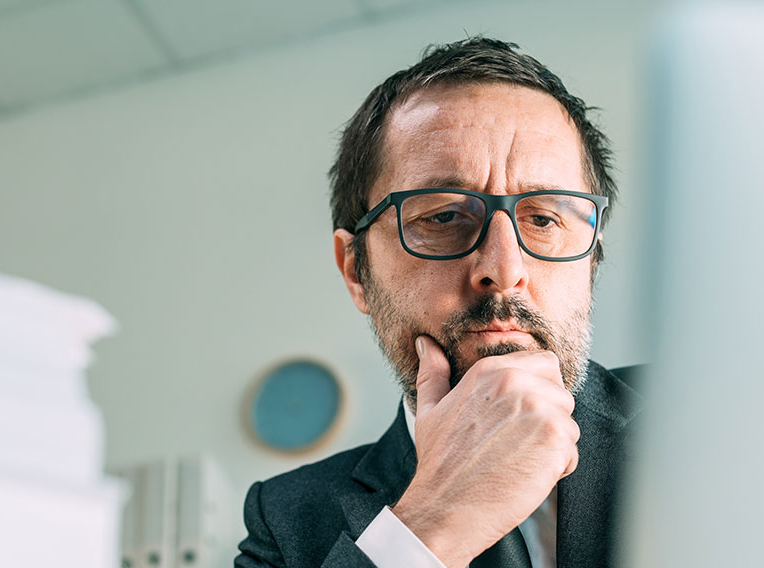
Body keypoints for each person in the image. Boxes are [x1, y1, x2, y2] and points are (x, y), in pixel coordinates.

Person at [235, 37, 642, 568]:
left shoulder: (721, 421)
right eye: (445, 217)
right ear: (356, 270)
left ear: (591, 260)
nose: (505, 269)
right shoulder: (286, 523)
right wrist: (433, 522)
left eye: (544, 220)